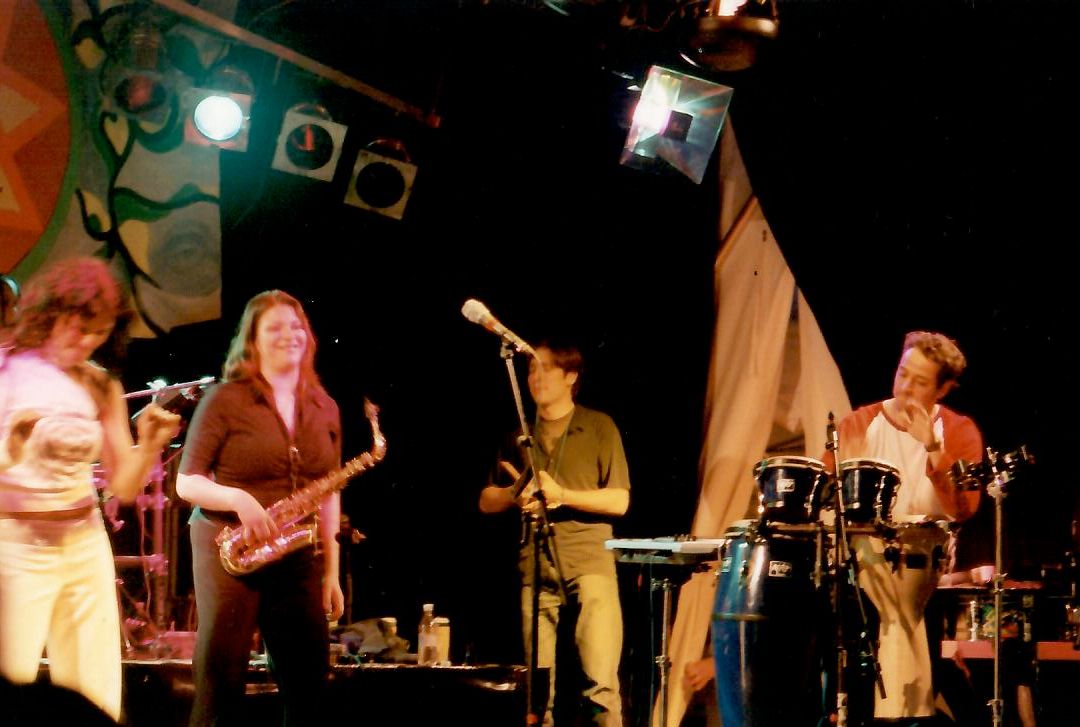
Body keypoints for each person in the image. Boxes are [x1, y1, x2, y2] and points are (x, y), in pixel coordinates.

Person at [0, 256, 180, 721]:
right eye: (79, 328)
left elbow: (123, 487)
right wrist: (11, 449)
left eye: (98, 334)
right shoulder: (8, 370)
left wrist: (149, 445)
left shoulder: (100, 384)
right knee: (10, 675)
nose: (86, 342)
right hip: (15, 545)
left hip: (83, 542)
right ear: (51, 313)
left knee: (94, 685)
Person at [176, 290, 344, 727]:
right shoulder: (225, 399)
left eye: (296, 326)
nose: (289, 335)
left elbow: (329, 490)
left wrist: (331, 570)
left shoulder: (325, 406)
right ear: (252, 340)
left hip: (295, 550)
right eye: (275, 328)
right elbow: (186, 482)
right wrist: (238, 500)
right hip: (229, 548)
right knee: (222, 678)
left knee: (309, 680)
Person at [824, 330, 985, 726]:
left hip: (926, 577)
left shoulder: (959, 431)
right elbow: (828, 497)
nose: (906, 387)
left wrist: (933, 449)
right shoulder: (859, 424)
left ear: (942, 389)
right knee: (857, 673)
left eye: (920, 381)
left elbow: (965, 507)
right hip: (864, 572)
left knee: (922, 668)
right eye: (903, 373)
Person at [479, 340, 630, 727]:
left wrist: (563, 495)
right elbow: (486, 500)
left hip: (589, 564)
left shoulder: (598, 426)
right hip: (535, 568)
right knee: (535, 694)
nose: (536, 377)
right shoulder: (521, 434)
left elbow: (619, 500)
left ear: (570, 377)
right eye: (531, 369)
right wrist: (514, 495)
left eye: (545, 368)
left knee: (600, 687)